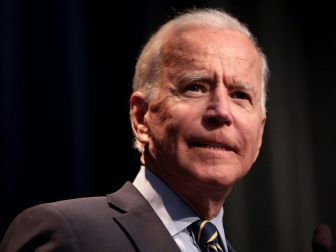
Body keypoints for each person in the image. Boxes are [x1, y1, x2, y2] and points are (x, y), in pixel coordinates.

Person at [0, 7, 268, 252]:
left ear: (259, 134)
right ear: (141, 118)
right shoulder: (70, 233)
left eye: (240, 95)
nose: (221, 112)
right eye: (194, 87)